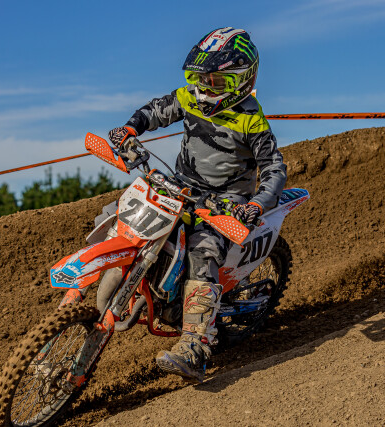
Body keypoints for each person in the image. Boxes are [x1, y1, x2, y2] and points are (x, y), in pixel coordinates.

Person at [107, 27, 287, 382]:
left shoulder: (251, 119)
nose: (203, 88)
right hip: (183, 185)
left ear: (241, 80)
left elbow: (274, 169)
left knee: (202, 251)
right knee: (130, 212)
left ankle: (195, 346)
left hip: (226, 202)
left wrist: (255, 205)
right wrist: (130, 128)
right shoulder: (190, 97)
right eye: (198, 78)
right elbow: (157, 110)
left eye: (214, 81)